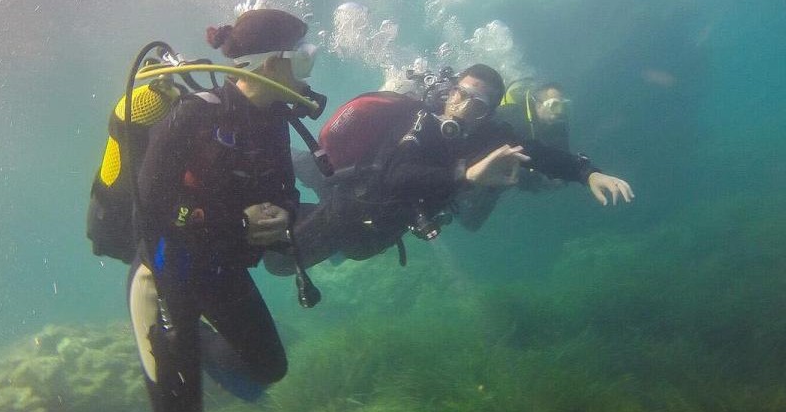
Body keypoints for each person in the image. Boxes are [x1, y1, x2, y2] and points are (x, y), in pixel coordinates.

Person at [86, 9, 315, 412]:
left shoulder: (275, 119)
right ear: (269, 65)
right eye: (300, 58)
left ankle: (197, 353)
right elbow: (154, 213)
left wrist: (281, 215)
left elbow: (286, 190)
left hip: (219, 272)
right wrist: (236, 223)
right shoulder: (193, 116)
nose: (306, 69)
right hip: (165, 277)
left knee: (270, 366)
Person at [266, 64, 632, 274]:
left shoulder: (489, 136)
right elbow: (395, 177)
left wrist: (587, 172)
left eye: (478, 104)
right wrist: (465, 174)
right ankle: (270, 144)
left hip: (378, 226)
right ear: (450, 90)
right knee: (279, 261)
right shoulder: (419, 118)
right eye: (460, 94)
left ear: (488, 113)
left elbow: (536, 153)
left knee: (312, 254)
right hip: (345, 188)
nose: (462, 107)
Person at [453, 77, 573, 230]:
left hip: (509, 177)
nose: (559, 113)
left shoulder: (558, 126)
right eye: (554, 106)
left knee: (472, 223)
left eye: (563, 106)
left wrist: (561, 178)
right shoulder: (510, 115)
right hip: (484, 169)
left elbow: (563, 158)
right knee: (468, 215)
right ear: (538, 104)